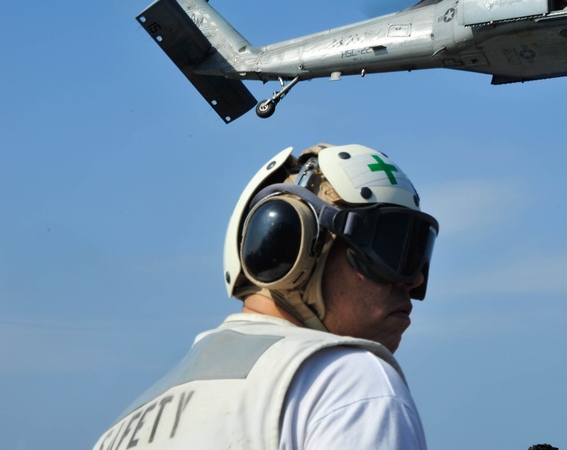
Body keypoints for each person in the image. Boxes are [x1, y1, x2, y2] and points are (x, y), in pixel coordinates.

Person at [92, 143, 439, 450]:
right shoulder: (351, 382)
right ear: (295, 245)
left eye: (418, 253)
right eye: (392, 250)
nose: (415, 280)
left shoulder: (119, 431)